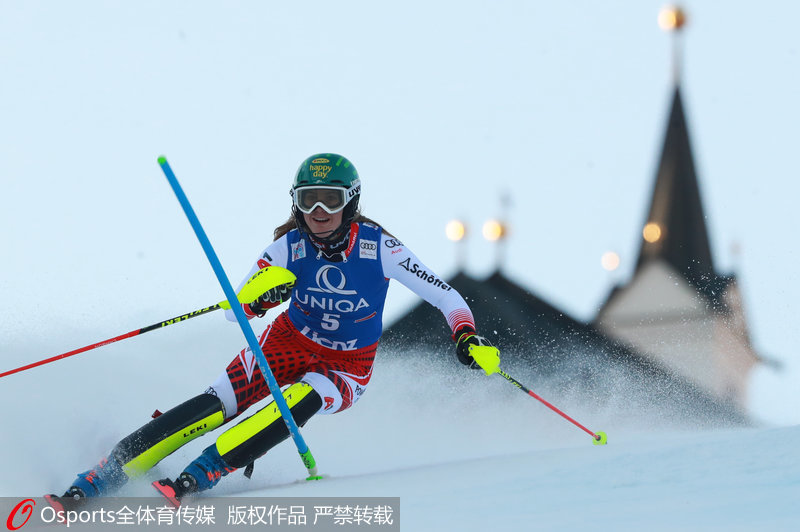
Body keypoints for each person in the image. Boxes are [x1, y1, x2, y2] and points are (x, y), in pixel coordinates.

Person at [46, 153, 500, 508]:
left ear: (352, 202)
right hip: (285, 343)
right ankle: (102, 476)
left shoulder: (380, 247)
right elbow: (235, 309)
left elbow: (446, 295)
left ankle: (202, 472)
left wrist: (465, 335)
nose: (319, 211)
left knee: (300, 398)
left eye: (331, 199)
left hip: (348, 365)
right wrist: (258, 298)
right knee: (214, 405)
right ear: (295, 203)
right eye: (307, 200)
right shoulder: (288, 246)